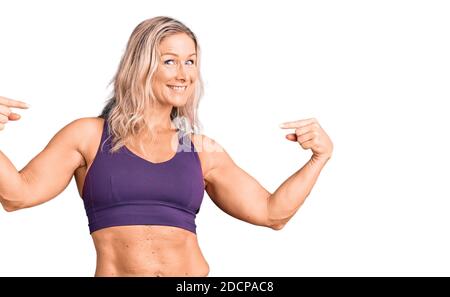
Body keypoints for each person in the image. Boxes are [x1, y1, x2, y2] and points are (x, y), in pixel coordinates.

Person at [0, 16, 333, 277]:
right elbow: (17, 195)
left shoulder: (201, 150)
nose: (184, 74)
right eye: (170, 60)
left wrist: (319, 158)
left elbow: (272, 213)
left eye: (190, 62)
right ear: (141, 66)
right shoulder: (86, 136)